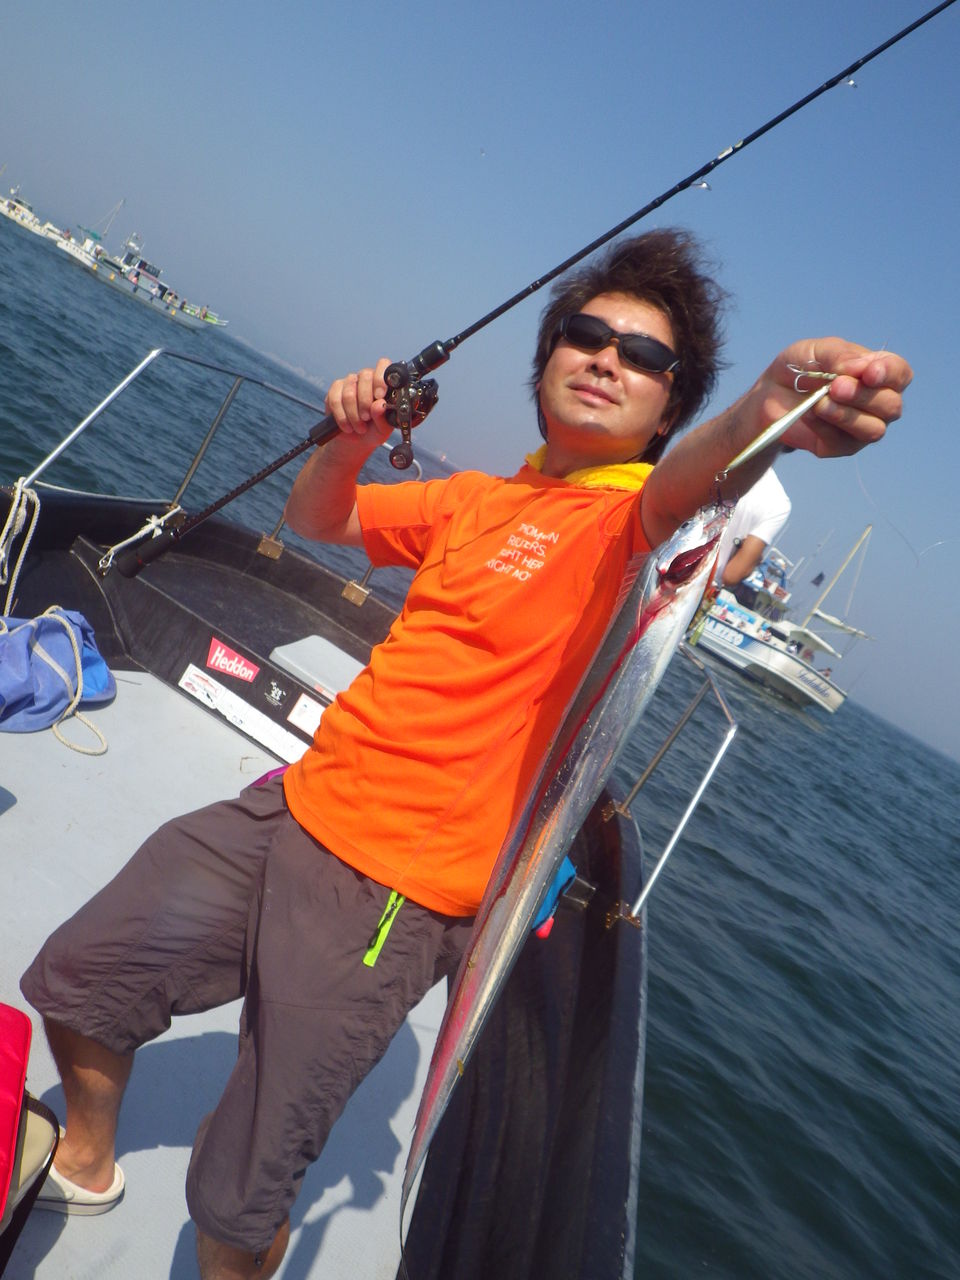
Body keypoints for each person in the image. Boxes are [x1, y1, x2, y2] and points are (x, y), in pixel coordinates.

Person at [20, 229, 911, 1279]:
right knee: (84, 972)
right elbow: (320, 517)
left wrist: (766, 413)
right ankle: (86, 1157)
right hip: (293, 806)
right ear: (545, 360)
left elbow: (692, 486)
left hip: (393, 897)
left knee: (238, 1190)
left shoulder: (633, 524)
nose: (606, 358)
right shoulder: (479, 498)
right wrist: (352, 436)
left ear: (670, 408)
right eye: (584, 334)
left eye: (644, 356)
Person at [713, 466, 791, 588]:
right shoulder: (779, 503)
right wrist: (754, 561)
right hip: (699, 584)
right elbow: (731, 575)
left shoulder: (717, 461)